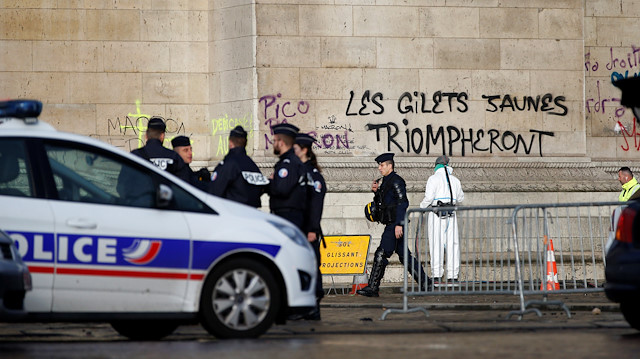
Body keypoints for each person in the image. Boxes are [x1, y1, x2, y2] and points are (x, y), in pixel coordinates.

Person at [357, 153, 430, 297]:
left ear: (390, 166)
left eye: (382, 165)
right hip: (393, 223)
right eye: (379, 165)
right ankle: (426, 284)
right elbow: (383, 204)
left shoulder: (396, 181)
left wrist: (399, 225)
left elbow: (403, 203)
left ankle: (373, 287)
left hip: (395, 225)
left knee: (381, 253)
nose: (379, 168)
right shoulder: (385, 181)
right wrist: (376, 192)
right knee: (405, 256)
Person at [294, 132, 325, 320]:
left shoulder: (312, 175)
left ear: (304, 150)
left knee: (312, 266)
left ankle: (313, 306)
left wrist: (312, 228)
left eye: (296, 149)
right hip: (299, 228)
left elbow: (316, 204)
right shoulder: (298, 170)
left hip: (309, 230)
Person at [419, 155, 464, 282]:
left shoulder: (433, 179)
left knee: (436, 244)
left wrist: (421, 207)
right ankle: (453, 276)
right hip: (451, 215)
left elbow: (428, 198)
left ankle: (437, 275)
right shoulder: (455, 180)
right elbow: (461, 198)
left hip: (436, 215)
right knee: (452, 245)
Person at [208, 125, 267, 207]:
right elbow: (260, 188)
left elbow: (214, 190)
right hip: (252, 212)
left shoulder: (229, 164)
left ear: (230, 143)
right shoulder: (251, 165)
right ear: (245, 143)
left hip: (233, 211)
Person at [267, 123, 307, 231]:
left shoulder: (288, 164)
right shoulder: (290, 161)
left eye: (275, 141)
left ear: (281, 143)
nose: (273, 144)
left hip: (287, 216)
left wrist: (270, 182)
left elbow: (282, 189)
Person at [130, 117, 191, 183]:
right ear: (162, 136)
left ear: (146, 135)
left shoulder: (135, 156)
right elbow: (184, 184)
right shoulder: (173, 157)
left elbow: (122, 185)